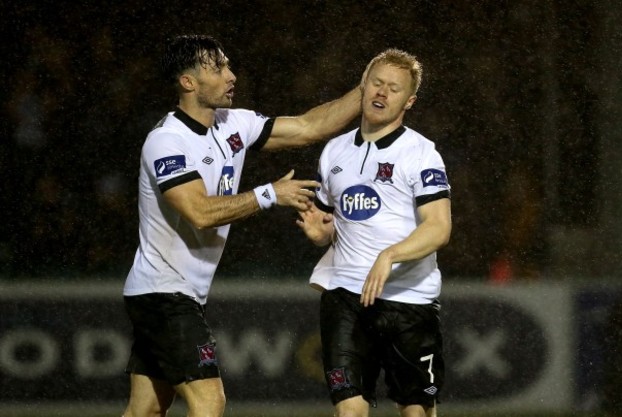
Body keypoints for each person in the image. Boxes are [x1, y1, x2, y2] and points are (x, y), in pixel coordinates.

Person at [121, 34, 361, 417]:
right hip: (163, 293)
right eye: (217, 68)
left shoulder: (235, 123)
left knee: (145, 410)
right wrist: (270, 194)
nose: (231, 75)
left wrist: (366, 89)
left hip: (171, 293)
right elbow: (198, 211)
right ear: (189, 82)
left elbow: (308, 127)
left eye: (228, 65)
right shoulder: (166, 141)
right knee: (209, 401)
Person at [297, 49, 452, 417]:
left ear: (409, 101)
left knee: (415, 411)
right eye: (377, 83)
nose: (382, 93)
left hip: (409, 300)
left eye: (394, 89)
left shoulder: (421, 154)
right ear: (363, 86)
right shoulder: (334, 151)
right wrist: (322, 236)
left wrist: (390, 255)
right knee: (349, 410)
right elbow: (337, 222)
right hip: (347, 297)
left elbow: (439, 227)